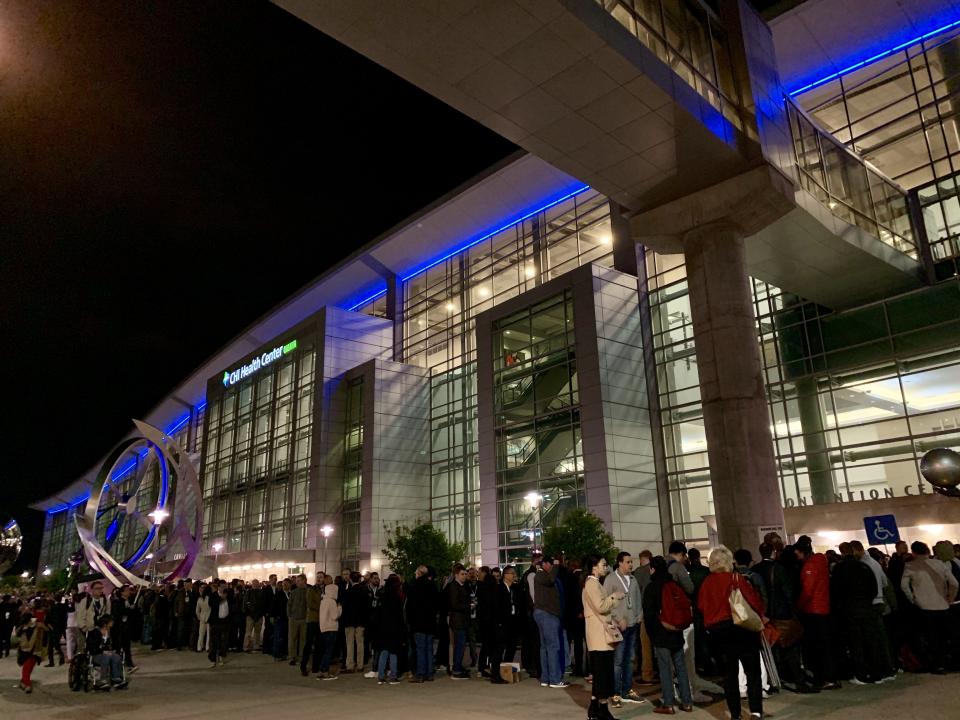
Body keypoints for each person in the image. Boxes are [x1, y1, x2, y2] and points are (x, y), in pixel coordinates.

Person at [698, 546, 765, 720]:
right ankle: (756, 711)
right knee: (753, 672)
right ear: (729, 561)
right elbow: (753, 601)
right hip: (743, 630)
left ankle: (735, 714)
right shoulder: (736, 578)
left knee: (729, 676)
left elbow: (701, 607)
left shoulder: (707, 583)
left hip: (720, 633)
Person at [643, 556, 693, 715]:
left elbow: (649, 615)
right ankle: (687, 702)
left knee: (665, 669)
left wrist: (653, 636)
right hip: (676, 632)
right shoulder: (674, 584)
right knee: (681, 668)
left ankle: (668, 703)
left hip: (661, 634)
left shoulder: (651, 588)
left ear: (652, 569)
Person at [900, 540, 959, 673]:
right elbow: (954, 583)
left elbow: (903, 586)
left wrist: (913, 599)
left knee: (932, 637)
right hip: (943, 605)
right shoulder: (939, 563)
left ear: (914, 552)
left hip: (924, 607)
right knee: (948, 635)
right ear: (927, 550)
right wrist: (950, 597)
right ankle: (953, 662)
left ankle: (939, 664)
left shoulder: (910, 566)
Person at [582, 554, 624, 720]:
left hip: (599, 634)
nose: (605, 567)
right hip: (599, 635)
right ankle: (603, 709)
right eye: (603, 564)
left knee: (601, 672)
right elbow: (600, 606)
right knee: (603, 673)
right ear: (594, 567)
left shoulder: (592, 583)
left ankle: (595, 707)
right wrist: (615, 597)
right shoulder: (592, 584)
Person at [794, 538, 840, 690]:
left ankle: (826, 677)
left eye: (798, 554)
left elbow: (808, 591)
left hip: (813, 610)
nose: (797, 557)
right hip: (824, 607)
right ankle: (831, 676)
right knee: (826, 644)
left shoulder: (810, 566)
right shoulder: (821, 561)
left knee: (819, 646)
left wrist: (798, 606)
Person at [604, 551, 643, 707]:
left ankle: (627, 690)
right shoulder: (611, 579)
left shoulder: (633, 579)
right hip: (619, 626)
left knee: (630, 659)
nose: (631, 564)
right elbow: (606, 601)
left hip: (633, 624)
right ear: (620, 563)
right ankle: (615, 693)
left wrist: (639, 614)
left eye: (631, 562)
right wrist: (617, 618)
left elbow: (637, 599)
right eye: (628, 562)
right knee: (618, 661)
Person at [534, 555, 568, 688]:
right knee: (552, 647)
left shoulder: (540, 575)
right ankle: (554, 679)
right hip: (548, 614)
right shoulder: (541, 574)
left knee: (545, 647)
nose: (553, 568)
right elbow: (551, 580)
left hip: (543, 614)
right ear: (546, 564)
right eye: (551, 565)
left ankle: (546, 678)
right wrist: (556, 566)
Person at [407, 565, 439, 682]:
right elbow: (436, 604)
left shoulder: (414, 585)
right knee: (429, 649)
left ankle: (420, 674)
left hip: (418, 623)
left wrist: (410, 622)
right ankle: (429, 673)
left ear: (419, 573)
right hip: (430, 623)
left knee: (420, 649)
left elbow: (410, 606)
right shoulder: (432, 585)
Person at [372, 574, 405, 685]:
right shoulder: (397, 598)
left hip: (383, 629)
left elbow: (377, 615)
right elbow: (400, 616)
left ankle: (381, 676)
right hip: (394, 629)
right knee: (393, 652)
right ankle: (393, 676)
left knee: (384, 651)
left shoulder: (382, 596)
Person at [633, 550, 656, 686]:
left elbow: (635, 592)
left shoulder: (639, 572)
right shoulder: (657, 570)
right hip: (659, 613)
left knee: (645, 644)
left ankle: (647, 674)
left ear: (643, 559)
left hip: (644, 612)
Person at [86, 614, 127, 690]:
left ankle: (116, 678)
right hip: (96, 655)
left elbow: (115, 644)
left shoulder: (110, 633)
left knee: (116, 657)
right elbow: (91, 648)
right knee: (106, 657)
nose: (112, 623)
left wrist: (114, 650)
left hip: (108, 654)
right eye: (111, 622)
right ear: (105, 624)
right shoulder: (94, 633)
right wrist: (103, 651)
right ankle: (103, 680)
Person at [447, 563, 472, 679]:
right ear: (456, 575)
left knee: (461, 645)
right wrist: (469, 606)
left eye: (465, 574)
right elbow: (454, 604)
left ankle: (458, 666)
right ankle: (456, 669)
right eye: (462, 574)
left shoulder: (461, 585)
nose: (465, 576)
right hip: (458, 621)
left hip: (462, 620)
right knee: (459, 645)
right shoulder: (454, 586)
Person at [15, 609, 48, 693]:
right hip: (33, 652)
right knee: (27, 669)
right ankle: (25, 683)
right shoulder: (35, 626)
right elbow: (46, 630)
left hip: (26, 651)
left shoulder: (22, 628)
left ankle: (26, 684)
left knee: (26, 669)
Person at [342, 571, 370, 673]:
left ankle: (350, 665)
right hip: (360, 621)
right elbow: (367, 607)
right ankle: (360, 665)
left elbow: (344, 607)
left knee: (349, 644)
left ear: (350, 579)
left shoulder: (348, 591)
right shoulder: (364, 591)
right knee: (360, 643)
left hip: (349, 621)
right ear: (359, 579)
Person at [111, 584, 139, 672]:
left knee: (127, 645)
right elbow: (117, 613)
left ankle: (128, 661)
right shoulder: (117, 602)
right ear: (122, 592)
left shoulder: (129, 601)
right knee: (118, 646)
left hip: (127, 627)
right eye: (126, 590)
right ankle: (118, 663)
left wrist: (132, 609)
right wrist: (128, 610)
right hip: (119, 628)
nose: (128, 592)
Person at [317, 581, 341, 680]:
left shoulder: (323, 600)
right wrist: (340, 608)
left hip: (323, 628)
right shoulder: (331, 601)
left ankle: (322, 671)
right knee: (329, 652)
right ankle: (325, 672)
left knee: (325, 651)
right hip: (331, 628)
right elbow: (335, 616)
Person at [207, 584, 230, 668]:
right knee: (214, 641)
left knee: (223, 640)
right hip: (215, 622)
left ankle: (221, 657)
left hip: (225, 621)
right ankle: (213, 660)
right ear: (218, 588)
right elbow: (211, 604)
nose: (223, 588)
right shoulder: (214, 595)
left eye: (224, 587)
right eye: (221, 587)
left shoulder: (228, 595)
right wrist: (221, 598)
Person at [287, 574, 308, 666]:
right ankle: (292, 657)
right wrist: (290, 615)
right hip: (294, 618)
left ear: (304, 581)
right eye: (297, 581)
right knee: (292, 638)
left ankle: (302, 656)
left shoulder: (309, 591)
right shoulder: (294, 592)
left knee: (303, 639)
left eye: (299, 580)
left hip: (305, 619)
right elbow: (289, 604)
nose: (297, 582)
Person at [196, 584, 211, 653]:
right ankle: (207, 647)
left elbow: (197, 610)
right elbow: (211, 609)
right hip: (209, 617)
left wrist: (199, 617)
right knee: (208, 633)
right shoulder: (209, 598)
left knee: (201, 633)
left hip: (202, 617)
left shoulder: (199, 599)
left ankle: (199, 647)